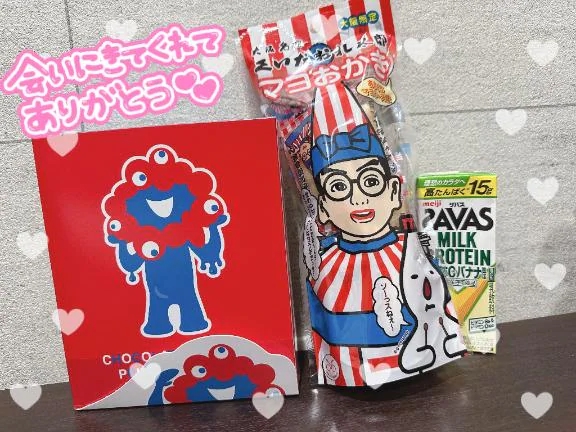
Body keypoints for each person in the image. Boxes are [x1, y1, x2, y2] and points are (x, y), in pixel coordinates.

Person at [306, 83, 465, 387]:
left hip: (423, 354)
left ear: (394, 191)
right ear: (323, 207)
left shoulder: (410, 247)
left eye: (370, 181)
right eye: (339, 187)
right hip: (352, 367)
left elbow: (434, 301)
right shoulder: (328, 261)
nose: (358, 198)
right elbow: (326, 313)